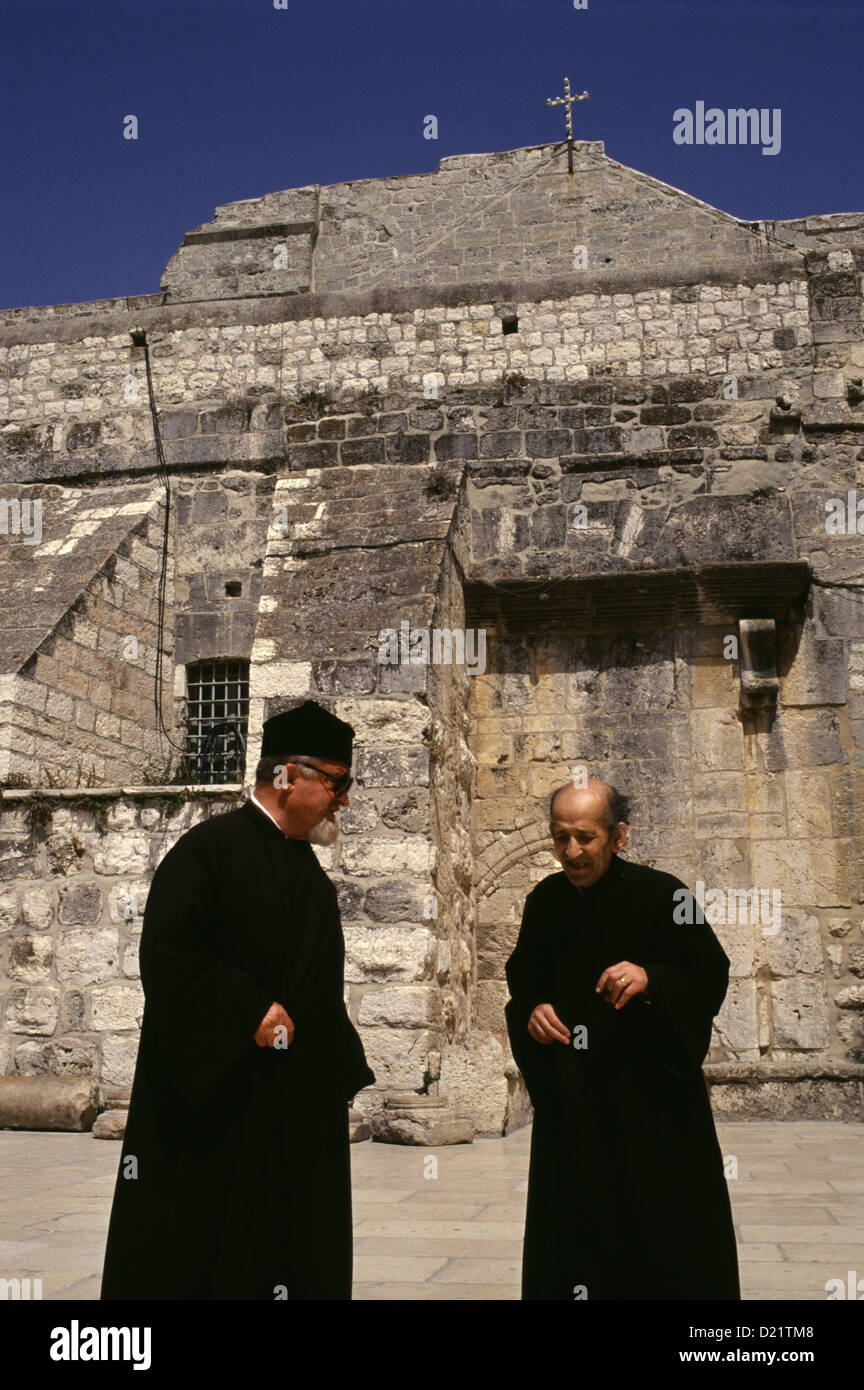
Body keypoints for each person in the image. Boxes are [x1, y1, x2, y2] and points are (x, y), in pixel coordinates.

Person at [100, 700, 375, 1300]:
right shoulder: (209, 851)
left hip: (293, 1115)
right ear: (289, 775)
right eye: (337, 782)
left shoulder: (309, 874)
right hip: (216, 1114)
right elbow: (170, 958)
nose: (343, 800)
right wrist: (247, 1011)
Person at [505, 778, 740, 1301]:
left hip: (655, 1114)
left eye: (585, 837)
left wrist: (653, 977)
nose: (571, 852)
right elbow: (523, 985)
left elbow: (710, 977)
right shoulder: (545, 902)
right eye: (560, 837)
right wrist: (532, 1012)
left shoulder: (666, 895)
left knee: (666, 1250)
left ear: (619, 837)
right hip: (575, 1113)